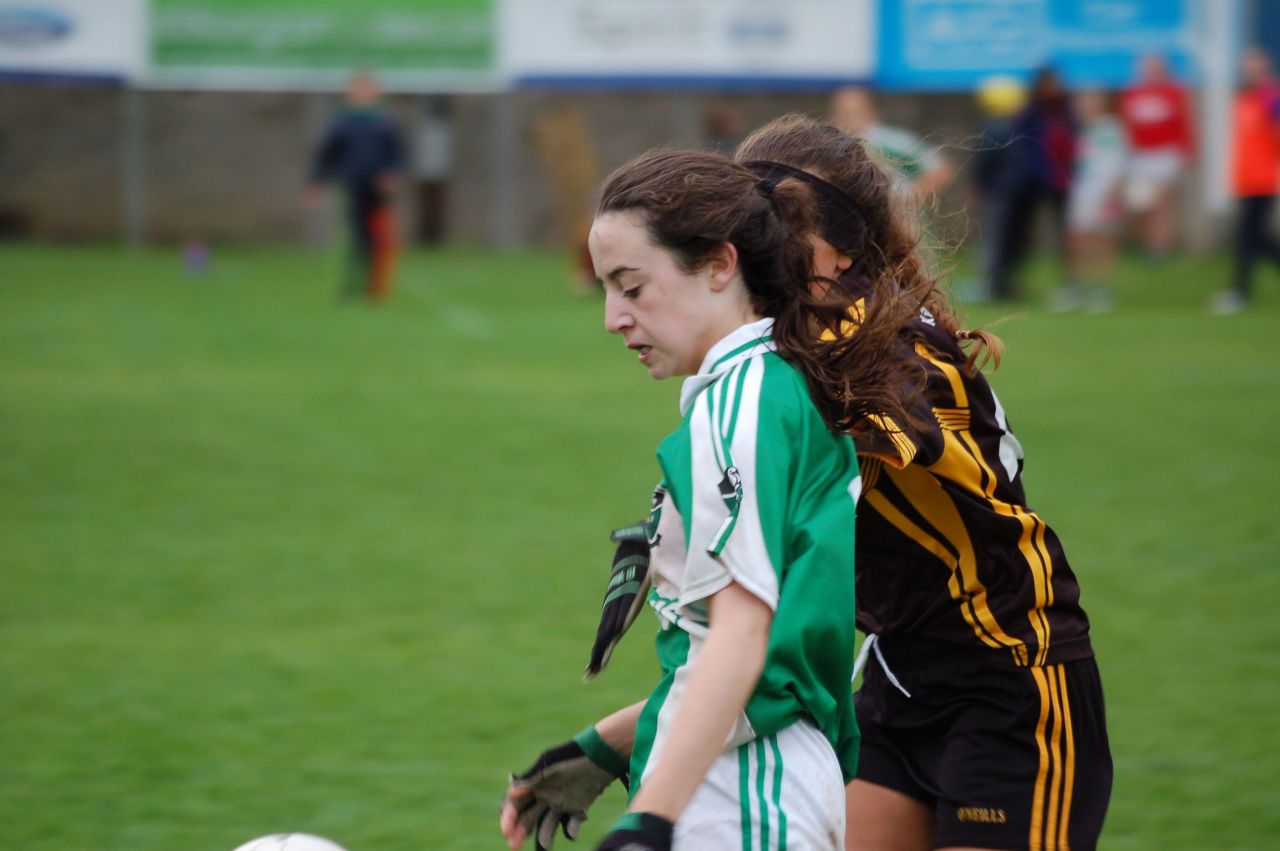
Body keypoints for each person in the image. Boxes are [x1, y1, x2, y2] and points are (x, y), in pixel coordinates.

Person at [516, 116, 1113, 851]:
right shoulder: (799, 358)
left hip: (1014, 680)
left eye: (775, 228)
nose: (762, 254)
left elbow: (757, 632)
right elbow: (782, 635)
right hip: (897, 677)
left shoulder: (873, 359)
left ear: (836, 245)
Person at [500, 148, 926, 851]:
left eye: (631, 287)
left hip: (743, 790)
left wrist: (651, 821)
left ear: (720, 266)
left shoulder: (743, 402)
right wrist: (613, 748)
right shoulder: (759, 390)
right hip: (741, 777)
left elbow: (741, 634)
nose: (612, 317)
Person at [306, 70, 406, 302]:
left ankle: (375, 286)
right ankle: (354, 283)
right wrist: (316, 182)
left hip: (378, 189)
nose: (362, 94)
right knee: (357, 234)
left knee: (378, 237)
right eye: (358, 89)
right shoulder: (342, 122)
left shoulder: (384, 121)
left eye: (367, 89)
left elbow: (397, 155)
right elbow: (326, 155)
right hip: (353, 184)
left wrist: (391, 174)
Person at [1213, 47, 1280, 314]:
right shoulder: (1245, 99)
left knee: (1247, 237)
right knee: (1257, 238)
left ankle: (1239, 292)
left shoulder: (1270, 98)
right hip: (1244, 180)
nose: (1248, 71)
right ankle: (1239, 291)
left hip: (1263, 180)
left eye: (1254, 66)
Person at [1119, 53, 1196, 262]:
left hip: (1166, 154)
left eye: (1155, 70)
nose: (1151, 74)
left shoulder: (1173, 93)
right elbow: (1127, 127)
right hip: (1141, 156)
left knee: (1162, 204)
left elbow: (1184, 124)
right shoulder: (1133, 94)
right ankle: (1148, 242)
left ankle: (1160, 247)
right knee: (1142, 203)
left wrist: (1187, 152)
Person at [829, 85, 953, 214]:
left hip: (900, 222)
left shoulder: (892, 142)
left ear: (871, 112)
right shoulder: (832, 146)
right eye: (842, 113)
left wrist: (910, 196)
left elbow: (941, 170)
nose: (848, 120)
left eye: (855, 113)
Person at [1059, 89, 1128, 313]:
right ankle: (1075, 287)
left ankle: (1102, 289)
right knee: (1077, 239)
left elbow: (1118, 161)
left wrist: (1114, 191)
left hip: (1103, 192)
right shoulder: (1078, 129)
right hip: (1081, 191)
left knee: (1103, 239)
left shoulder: (1110, 129)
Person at [971, 75, 1040, 302]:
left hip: (1009, 193)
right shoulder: (1005, 128)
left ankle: (1000, 285)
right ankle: (996, 286)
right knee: (1002, 240)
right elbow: (986, 162)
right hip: (1008, 192)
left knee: (1005, 240)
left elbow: (984, 162)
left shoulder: (1004, 127)